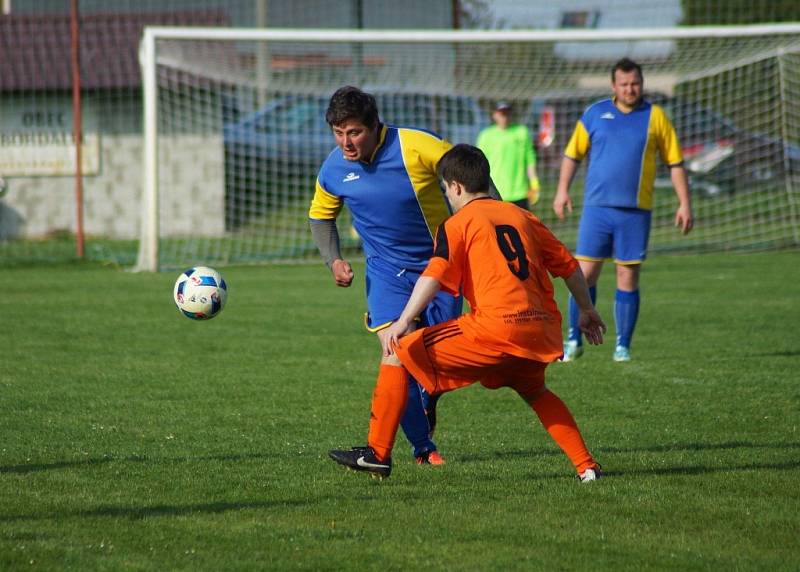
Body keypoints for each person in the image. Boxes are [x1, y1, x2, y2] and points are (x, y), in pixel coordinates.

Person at [329, 144, 606, 482]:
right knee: (535, 392)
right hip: (540, 330)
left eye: (446, 189)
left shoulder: (458, 223)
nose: (447, 195)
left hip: (496, 330)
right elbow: (568, 266)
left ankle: (378, 453)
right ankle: (586, 467)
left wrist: (402, 322)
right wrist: (588, 310)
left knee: (398, 350)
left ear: (456, 186)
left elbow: (434, 274)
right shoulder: (524, 217)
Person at [308, 86, 461, 465]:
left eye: (354, 132)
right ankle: (422, 450)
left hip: (441, 267)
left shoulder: (416, 146)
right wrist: (334, 261)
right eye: (338, 133)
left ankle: (427, 396)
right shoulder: (333, 169)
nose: (346, 142)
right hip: (386, 272)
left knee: (436, 363)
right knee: (397, 351)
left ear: (376, 126)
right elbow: (320, 216)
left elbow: (470, 175)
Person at [553, 58, 694, 363]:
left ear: (641, 83)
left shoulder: (656, 117)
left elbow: (675, 164)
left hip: (635, 212)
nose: (631, 89)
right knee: (583, 274)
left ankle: (623, 347)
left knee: (626, 276)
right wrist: (562, 190)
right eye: (624, 84)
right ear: (613, 86)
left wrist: (685, 203)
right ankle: (573, 340)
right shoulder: (594, 114)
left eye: (635, 83)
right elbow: (571, 155)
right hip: (597, 209)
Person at [476, 101, 541, 209]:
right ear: (494, 115)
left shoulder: (522, 132)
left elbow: (530, 160)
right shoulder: (485, 136)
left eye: (506, 113)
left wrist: (535, 184)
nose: (504, 116)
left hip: (520, 193)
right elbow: (479, 165)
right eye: (501, 113)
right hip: (495, 194)